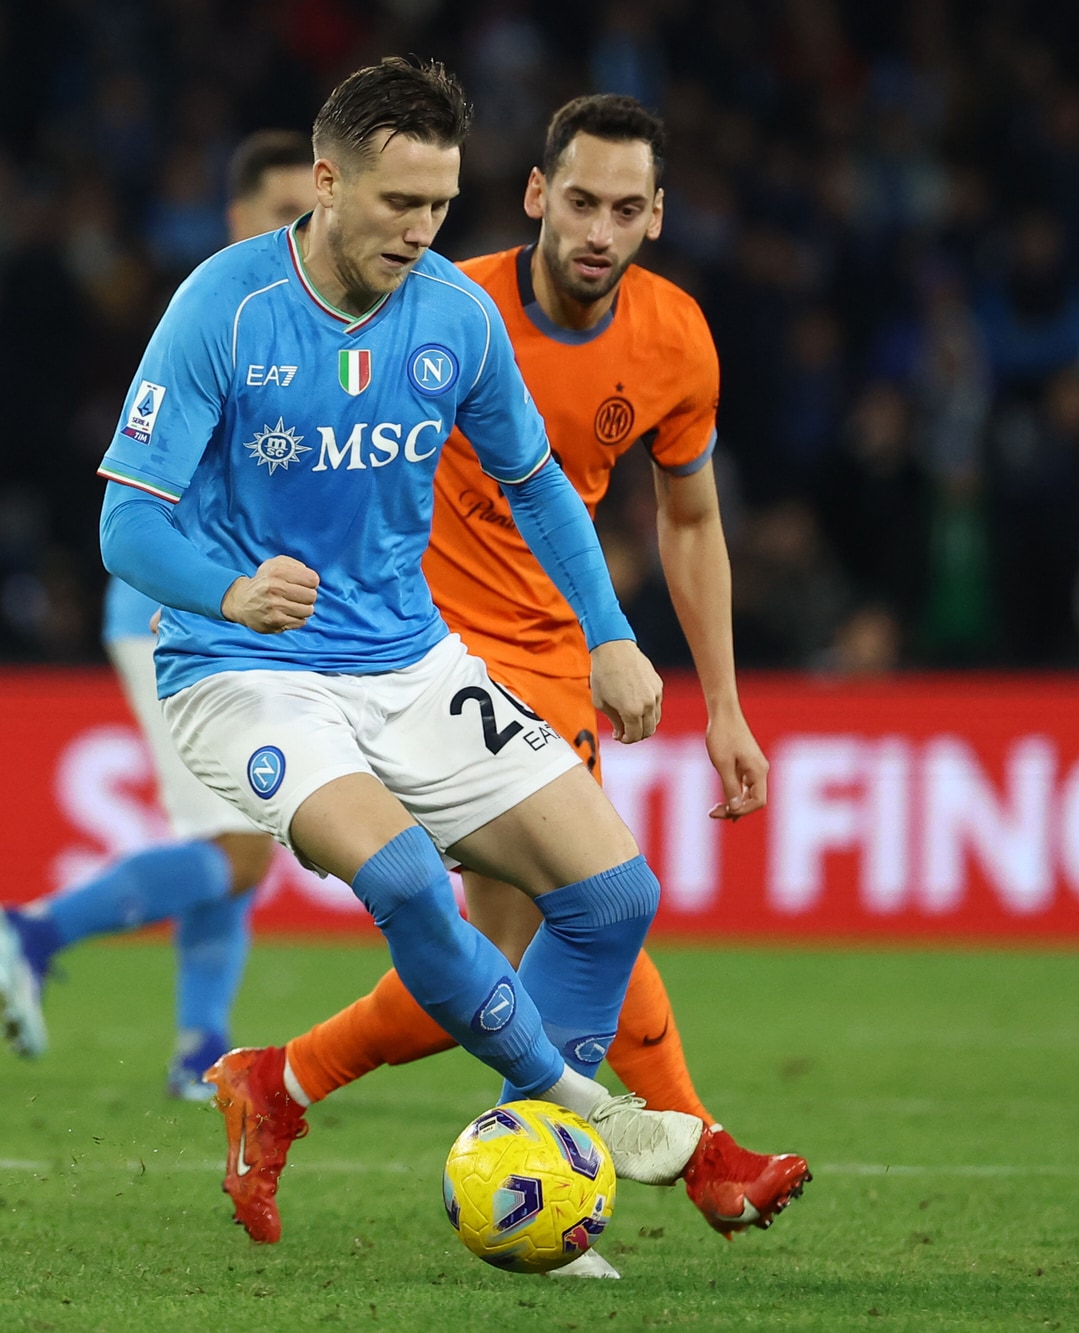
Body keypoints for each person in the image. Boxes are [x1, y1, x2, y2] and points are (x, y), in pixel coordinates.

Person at [95, 57, 711, 1248]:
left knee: (613, 895)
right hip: (243, 672)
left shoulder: (452, 315)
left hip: (410, 662)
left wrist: (611, 634)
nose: (420, 231)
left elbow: (537, 484)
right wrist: (230, 590)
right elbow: (127, 524)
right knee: (410, 883)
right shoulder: (224, 306)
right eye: (397, 203)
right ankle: (579, 1109)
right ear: (326, 182)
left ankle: (507, 1166)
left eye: (438, 205)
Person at [217, 95, 810, 1259]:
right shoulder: (438, 302)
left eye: (625, 209)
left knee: (540, 934)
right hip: (423, 651)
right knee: (585, 909)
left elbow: (690, 519)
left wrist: (723, 705)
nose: (598, 229)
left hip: (552, 654)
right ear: (537, 195)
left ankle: (283, 1082)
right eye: (578, 200)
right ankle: (689, 1154)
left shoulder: (674, 339)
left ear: (656, 217)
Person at [0, 131, 317, 1099]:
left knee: (235, 838)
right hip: (177, 610)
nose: (306, 230)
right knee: (241, 845)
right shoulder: (216, 319)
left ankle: (199, 1049)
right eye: (283, 211)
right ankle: (35, 931)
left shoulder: (305, 327)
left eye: (315, 210)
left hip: (238, 613)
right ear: (236, 219)